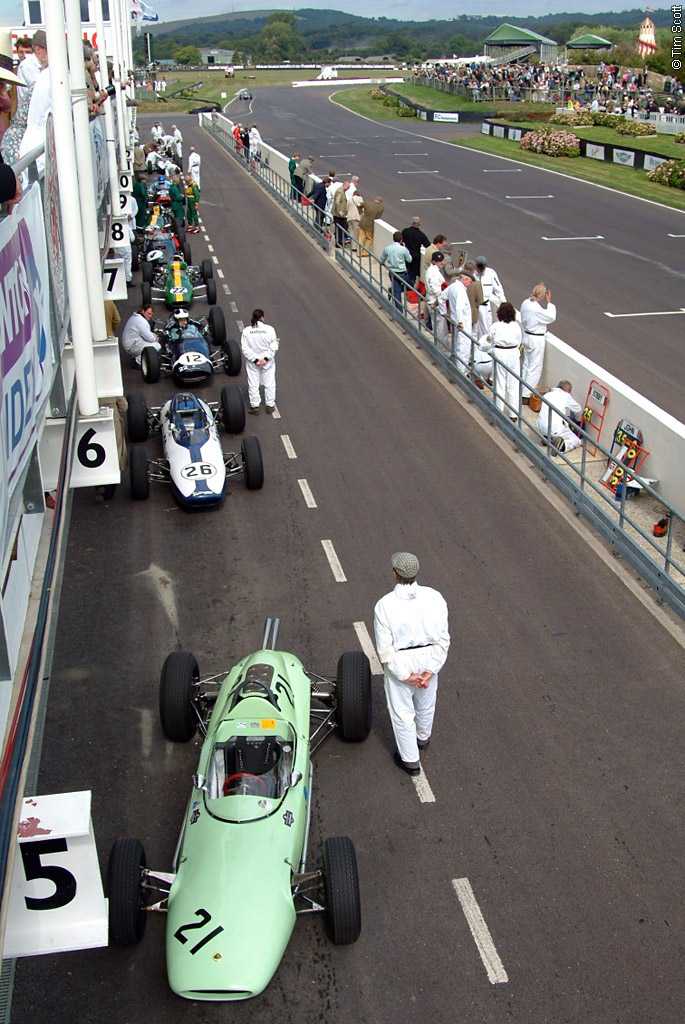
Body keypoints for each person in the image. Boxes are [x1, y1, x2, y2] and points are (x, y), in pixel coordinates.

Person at [373, 552, 450, 776]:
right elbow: (443, 638)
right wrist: (431, 670)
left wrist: (405, 675)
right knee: (426, 702)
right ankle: (423, 738)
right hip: (430, 656)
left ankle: (410, 760)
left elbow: (385, 649)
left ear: (395, 573)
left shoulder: (384, 605)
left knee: (402, 713)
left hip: (401, 659)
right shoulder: (435, 597)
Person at [476, 302, 522, 419]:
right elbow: (519, 340)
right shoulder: (516, 326)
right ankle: (513, 413)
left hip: (500, 353)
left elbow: (489, 339)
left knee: (500, 382)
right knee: (513, 384)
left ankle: (499, 409)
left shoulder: (496, 326)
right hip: (513, 354)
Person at [520, 282, 556, 401]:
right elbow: (550, 317)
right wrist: (549, 302)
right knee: (534, 367)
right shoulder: (536, 308)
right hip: (536, 338)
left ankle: (522, 387)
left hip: (526, 336)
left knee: (526, 365)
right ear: (542, 295)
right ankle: (526, 394)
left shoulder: (526, 303)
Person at [240, 308, 279, 415]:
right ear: (262, 317)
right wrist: (265, 359)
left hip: (253, 363)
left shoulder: (246, 331)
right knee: (270, 383)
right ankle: (270, 405)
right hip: (268, 362)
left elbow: (245, 349)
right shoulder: (270, 329)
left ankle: (255, 406)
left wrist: (256, 360)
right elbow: (274, 346)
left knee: (253, 384)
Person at [537, 379, 583, 455]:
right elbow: (578, 409)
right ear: (568, 390)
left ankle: (547, 438)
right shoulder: (566, 396)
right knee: (577, 440)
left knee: (552, 420)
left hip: (540, 427)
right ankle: (562, 446)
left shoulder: (548, 394)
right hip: (554, 429)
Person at [445, 269, 472, 373]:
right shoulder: (461, 291)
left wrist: (443, 311)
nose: (470, 284)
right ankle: (461, 372)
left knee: (457, 345)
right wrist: (460, 322)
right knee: (463, 349)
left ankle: (458, 368)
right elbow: (459, 307)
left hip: (455, 322)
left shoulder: (452, 287)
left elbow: (442, 297)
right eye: (469, 281)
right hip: (462, 325)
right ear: (465, 280)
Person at [474, 256, 506, 339]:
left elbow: (498, 288)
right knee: (474, 327)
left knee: (486, 326)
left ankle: (484, 345)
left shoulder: (491, 273)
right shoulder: (472, 274)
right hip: (474, 304)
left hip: (485, 304)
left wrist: (503, 302)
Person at [380, 231, 412, 311]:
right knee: (409, 287)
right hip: (403, 273)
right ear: (401, 240)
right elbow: (409, 260)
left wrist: (384, 263)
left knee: (397, 290)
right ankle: (400, 311)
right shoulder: (403, 249)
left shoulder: (387, 248)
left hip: (392, 273)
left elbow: (381, 260)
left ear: (393, 239)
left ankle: (392, 291)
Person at [401, 216, 430, 288]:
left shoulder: (405, 231)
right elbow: (428, 245)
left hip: (406, 255)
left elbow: (401, 241)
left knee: (406, 271)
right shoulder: (421, 235)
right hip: (416, 258)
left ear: (412, 223)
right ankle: (409, 288)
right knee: (413, 274)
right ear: (419, 224)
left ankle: (405, 285)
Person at [424, 250, 446, 333]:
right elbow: (435, 290)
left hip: (434, 301)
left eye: (441, 261)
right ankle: (438, 345)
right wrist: (443, 296)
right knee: (440, 329)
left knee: (438, 327)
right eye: (438, 262)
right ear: (433, 261)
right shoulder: (433, 272)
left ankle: (438, 344)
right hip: (435, 303)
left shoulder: (432, 270)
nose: (441, 263)